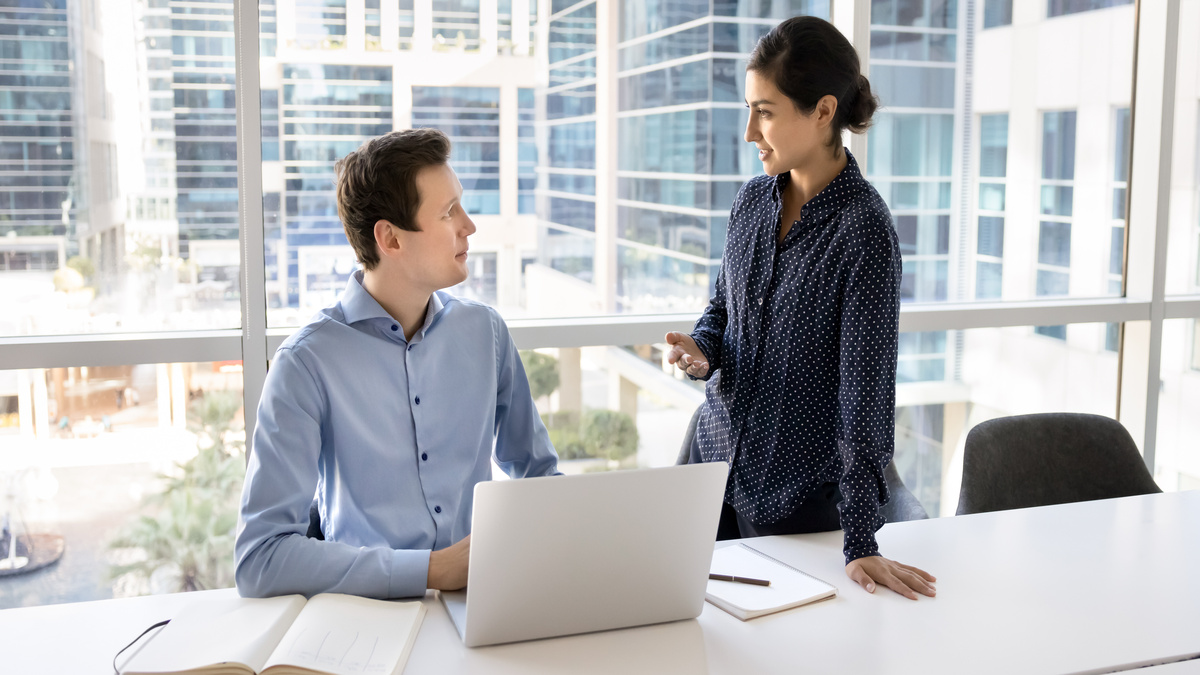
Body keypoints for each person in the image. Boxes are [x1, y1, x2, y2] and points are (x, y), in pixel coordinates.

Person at [664, 16, 936, 601]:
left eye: (764, 111)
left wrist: (861, 539)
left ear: (822, 111)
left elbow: (864, 400)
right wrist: (703, 350)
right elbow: (723, 308)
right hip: (710, 466)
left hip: (793, 502)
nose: (748, 131)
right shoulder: (751, 202)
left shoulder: (864, 232)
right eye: (748, 108)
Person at [235, 128, 560, 599]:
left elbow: (541, 482)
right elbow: (260, 557)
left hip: (485, 603)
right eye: (448, 212)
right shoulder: (305, 364)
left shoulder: (485, 332)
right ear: (389, 238)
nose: (468, 226)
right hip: (366, 622)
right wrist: (430, 570)